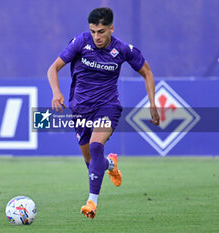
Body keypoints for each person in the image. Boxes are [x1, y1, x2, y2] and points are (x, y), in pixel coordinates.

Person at [47, 7, 160, 219]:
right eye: (93, 31)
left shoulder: (123, 50)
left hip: (108, 106)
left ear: (111, 28)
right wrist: (56, 93)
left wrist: (152, 103)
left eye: (101, 31)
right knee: (92, 162)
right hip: (80, 108)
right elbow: (53, 68)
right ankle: (110, 164)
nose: (96, 36)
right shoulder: (81, 42)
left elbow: (147, 72)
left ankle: (92, 202)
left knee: (96, 145)